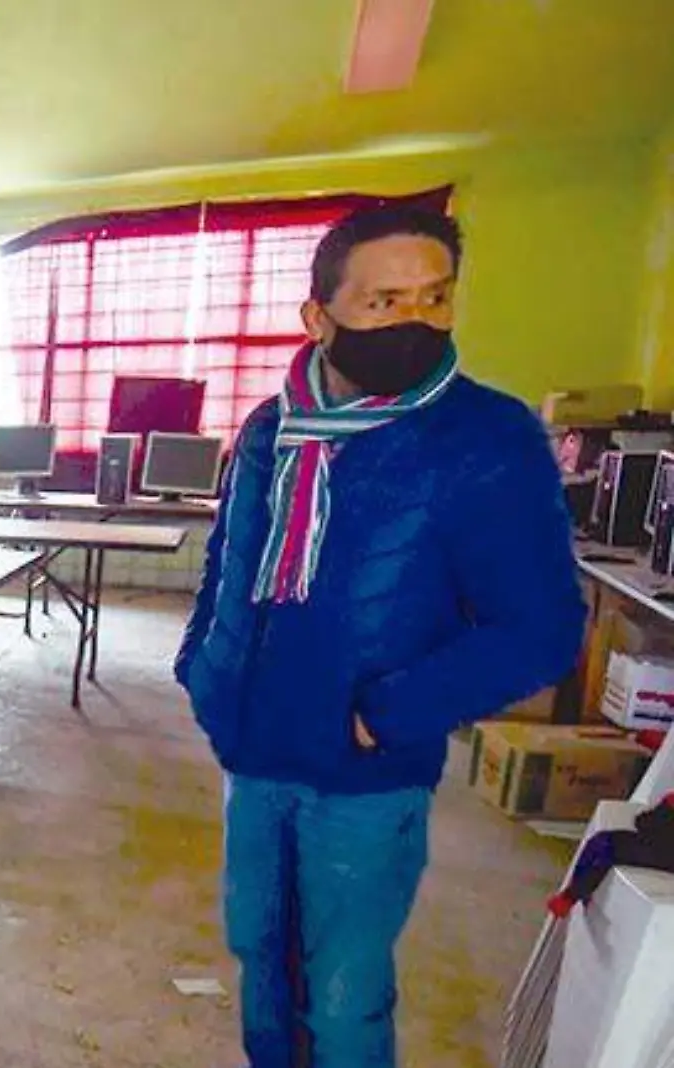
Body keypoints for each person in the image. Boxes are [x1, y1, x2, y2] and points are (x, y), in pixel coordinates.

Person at [174, 202, 586, 1068]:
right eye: (384, 303)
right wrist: (203, 665)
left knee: (344, 990)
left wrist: (388, 716)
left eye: (434, 300)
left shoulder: (486, 437)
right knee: (259, 955)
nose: (415, 324)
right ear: (318, 318)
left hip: (366, 771)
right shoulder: (269, 426)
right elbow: (231, 559)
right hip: (255, 749)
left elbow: (541, 628)